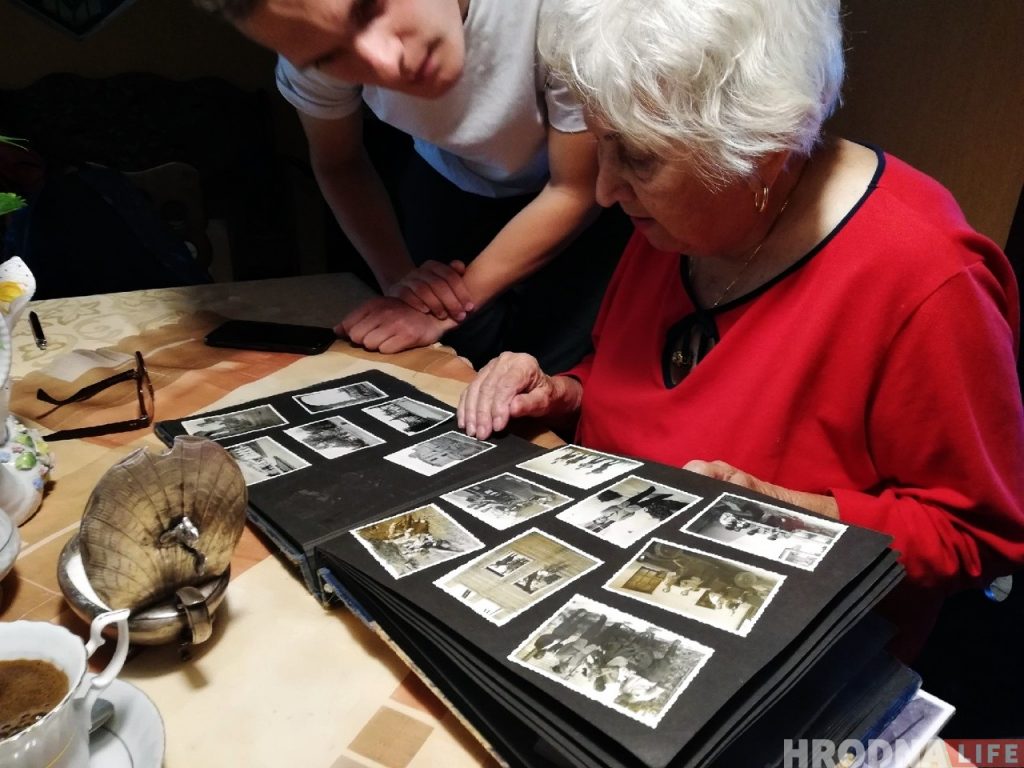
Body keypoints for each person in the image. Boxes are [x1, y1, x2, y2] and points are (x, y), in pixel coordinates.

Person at [456, 0, 1024, 659]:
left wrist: (781, 510)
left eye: (637, 157)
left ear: (765, 151)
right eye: (600, 143)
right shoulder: (681, 217)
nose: (605, 189)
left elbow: (977, 537)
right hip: (609, 583)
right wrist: (563, 392)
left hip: (771, 651)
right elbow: (639, 387)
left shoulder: (927, 280)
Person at [197, 0, 629, 371]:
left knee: (555, 369)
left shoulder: (568, 12)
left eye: (370, 6)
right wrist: (404, 285)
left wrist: (444, 307)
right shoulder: (310, 35)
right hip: (448, 182)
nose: (385, 62)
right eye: (330, 57)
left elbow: (573, 188)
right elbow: (339, 162)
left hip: (581, 194)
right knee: (449, 364)